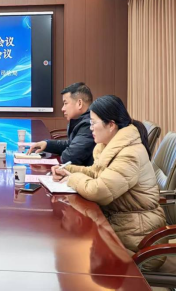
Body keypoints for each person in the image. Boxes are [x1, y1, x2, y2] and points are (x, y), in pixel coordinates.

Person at [51, 95, 166, 271]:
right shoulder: (111, 146)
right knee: (71, 247)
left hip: (140, 243)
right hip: (120, 229)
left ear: (111, 125)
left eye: (93, 123)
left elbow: (99, 190)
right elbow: (95, 173)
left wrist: (72, 179)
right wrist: (68, 170)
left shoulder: (129, 154)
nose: (90, 128)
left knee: (73, 254)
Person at [27, 82, 95, 166]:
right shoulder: (82, 121)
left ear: (79, 103)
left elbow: (70, 157)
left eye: (65, 103)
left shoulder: (89, 124)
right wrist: (47, 144)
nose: (62, 109)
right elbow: (71, 145)